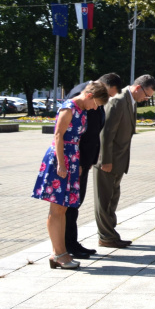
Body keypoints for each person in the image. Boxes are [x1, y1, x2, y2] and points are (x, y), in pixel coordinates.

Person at [31, 81, 110, 269]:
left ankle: (59, 252)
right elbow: (58, 135)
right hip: (61, 160)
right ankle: (59, 253)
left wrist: (78, 163)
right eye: (96, 104)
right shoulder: (69, 107)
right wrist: (61, 163)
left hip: (72, 159)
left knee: (63, 208)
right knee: (57, 208)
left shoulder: (82, 110)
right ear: (89, 96)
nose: (95, 108)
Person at [65, 73, 124, 259]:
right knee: (70, 206)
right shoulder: (80, 95)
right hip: (76, 162)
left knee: (75, 204)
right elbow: (71, 133)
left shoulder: (91, 97)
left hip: (83, 163)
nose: (106, 101)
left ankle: (72, 243)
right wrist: (81, 162)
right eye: (108, 95)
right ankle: (68, 245)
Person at [94, 74, 155, 249]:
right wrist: (105, 160)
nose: (146, 99)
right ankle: (106, 237)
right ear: (138, 88)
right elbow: (105, 133)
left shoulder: (130, 101)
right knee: (104, 199)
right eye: (147, 95)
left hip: (119, 160)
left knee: (112, 198)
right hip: (108, 161)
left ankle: (110, 234)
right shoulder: (118, 101)